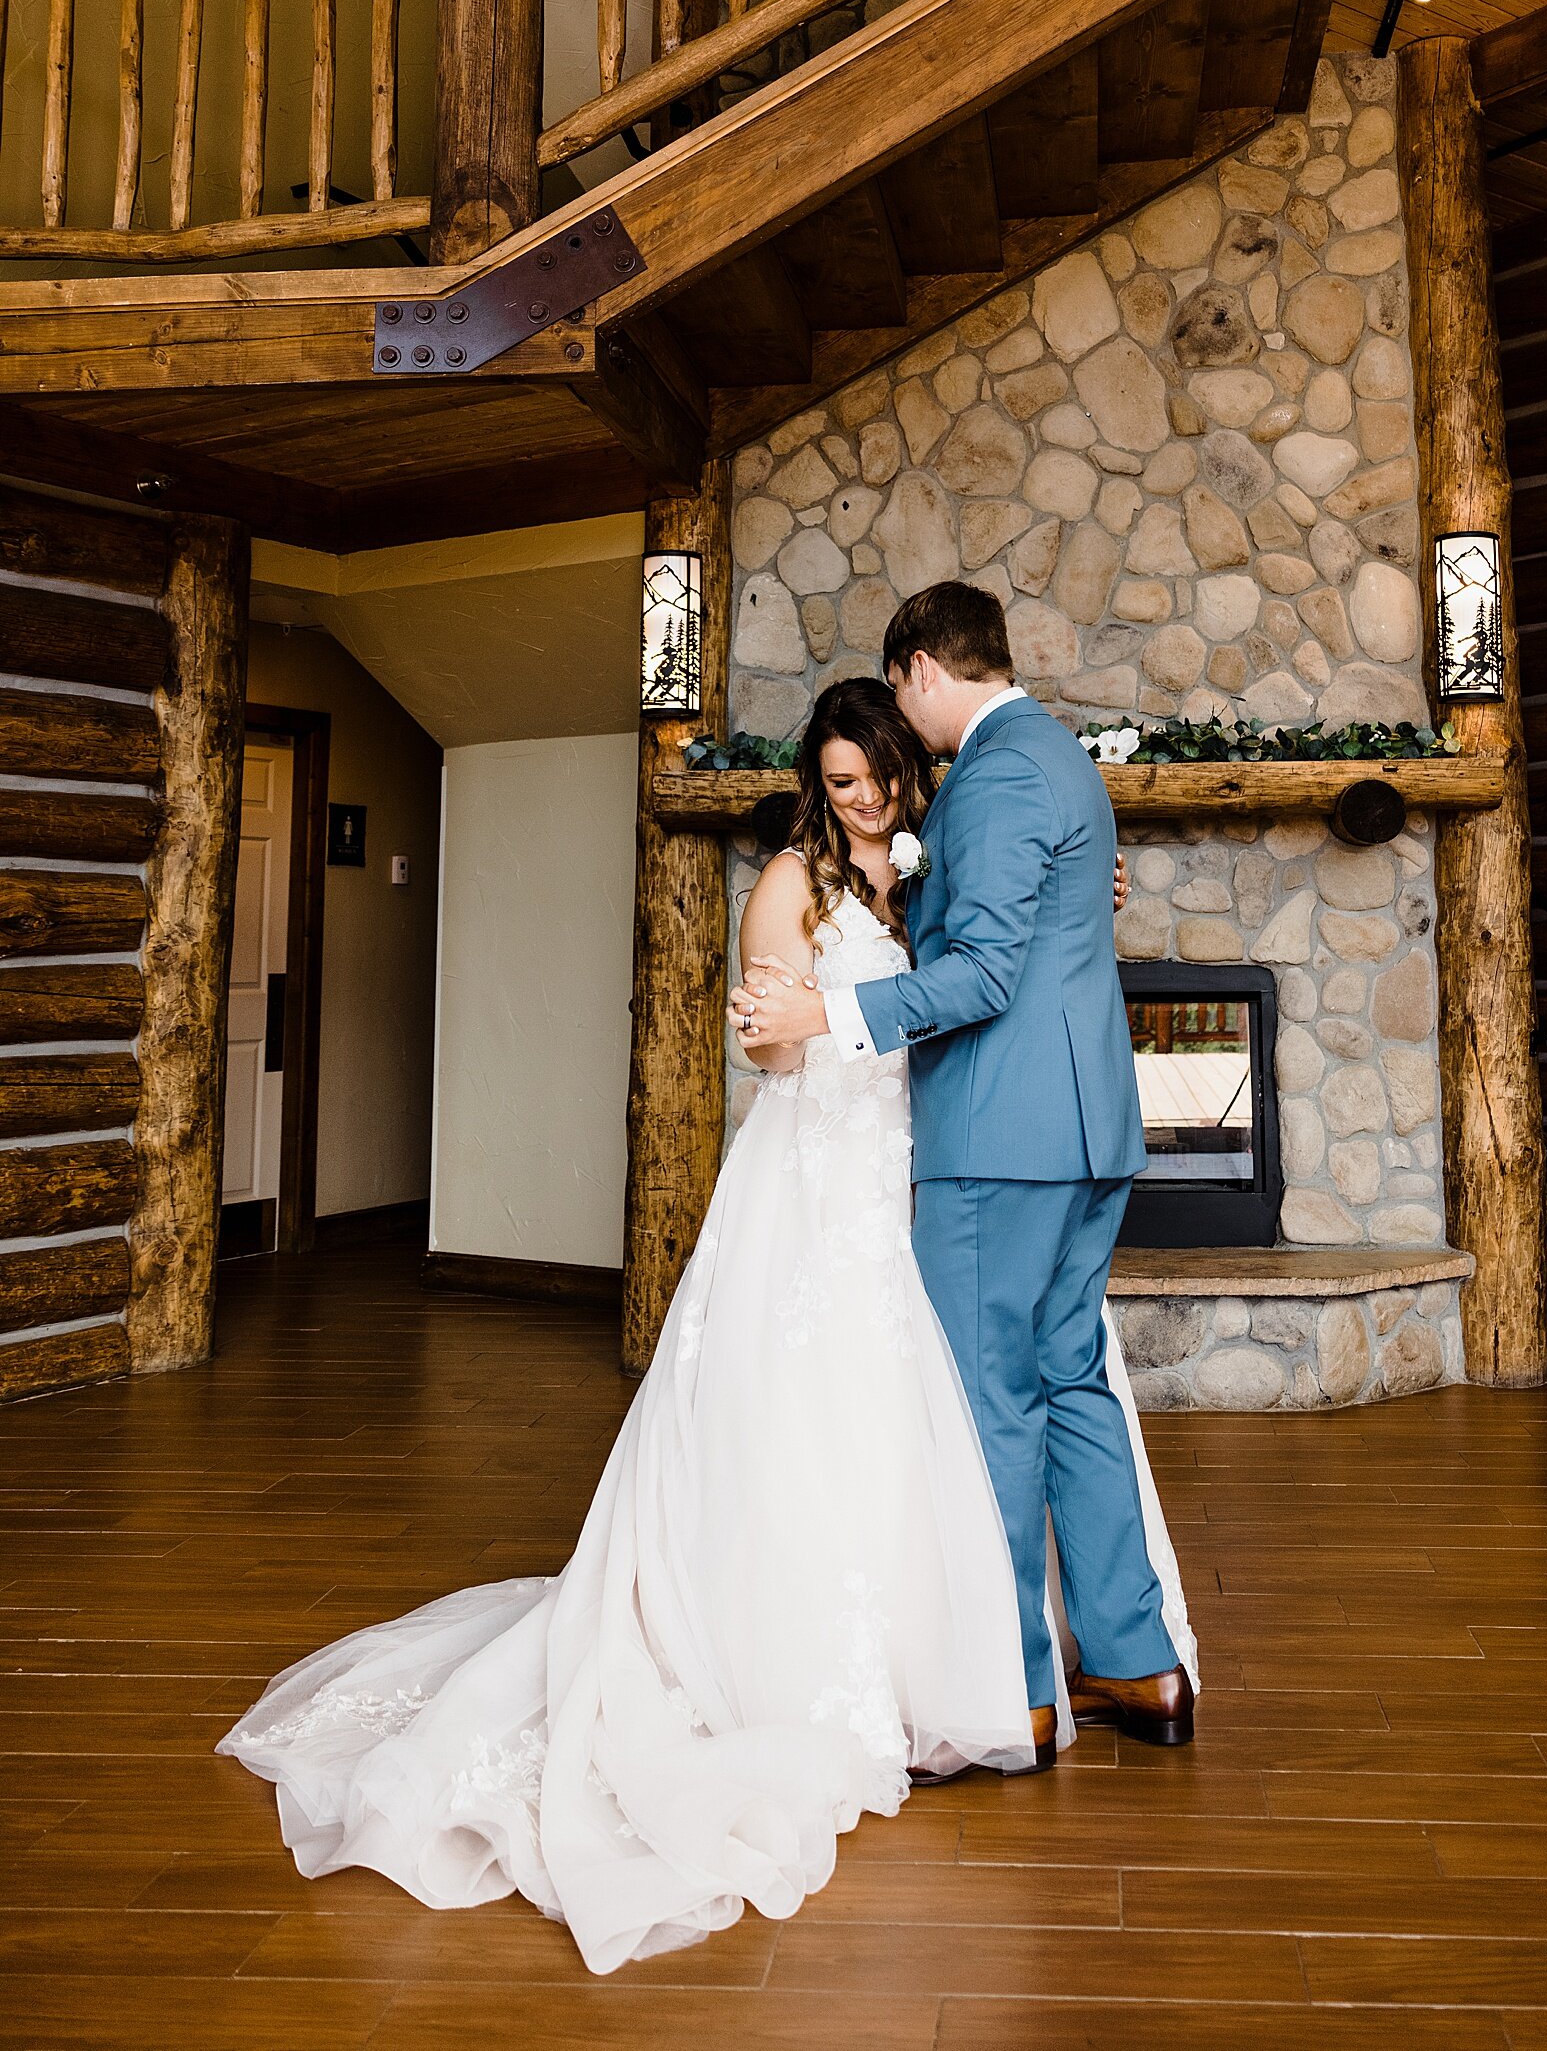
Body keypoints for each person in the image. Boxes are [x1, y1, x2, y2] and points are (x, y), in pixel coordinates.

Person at [218, 675, 1188, 1975]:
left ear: (910, 767)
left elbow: (984, 973)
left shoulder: (929, 868)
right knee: (793, 1419)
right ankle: (787, 1661)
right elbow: (776, 1051)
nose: (860, 797)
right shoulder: (791, 882)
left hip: (905, 1185)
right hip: (813, 1186)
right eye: (838, 779)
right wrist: (784, 1020)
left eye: (877, 774)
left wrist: (1068, 901)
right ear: (816, 785)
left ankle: (934, 1667)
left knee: (914, 1423)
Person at [731, 583, 1196, 1757]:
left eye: (900, 692)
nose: (901, 723)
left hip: (1000, 1140)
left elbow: (985, 976)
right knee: (1072, 1383)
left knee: (988, 1406)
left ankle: (1011, 1693)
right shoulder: (1063, 758)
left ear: (924, 668)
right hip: (1089, 1133)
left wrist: (831, 1009)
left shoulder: (991, 774)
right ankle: (1139, 1669)